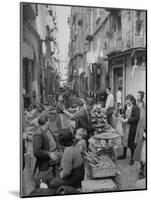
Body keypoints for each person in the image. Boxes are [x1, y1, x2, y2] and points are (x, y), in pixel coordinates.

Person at [48, 129, 84, 193]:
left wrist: (62, 174)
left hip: (75, 179)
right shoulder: (74, 146)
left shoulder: (68, 152)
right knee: (51, 179)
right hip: (79, 174)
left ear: (61, 142)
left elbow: (66, 173)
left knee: (52, 184)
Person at [33, 115, 59, 185]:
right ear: (46, 122)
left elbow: (53, 139)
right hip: (46, 161)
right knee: (44, 180)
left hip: (54, 154)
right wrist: (49, 154)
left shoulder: (47, 129)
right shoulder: (38, 134)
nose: (49, 122)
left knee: (54, 177)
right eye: (48, 120)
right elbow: (36, 152)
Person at [118, 94, 140, 165]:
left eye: (128, 102)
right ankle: (124, 155)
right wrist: (122, 117)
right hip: (125, 127)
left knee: (131, 143)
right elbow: (123, 113)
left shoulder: (136, 108)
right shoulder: (125, 106)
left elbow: (136, 118)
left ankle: (132, 158)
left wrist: (127, 120)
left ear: (132, 101)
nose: (127, 103)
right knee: (124, 141)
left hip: (132, 127)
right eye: (126, 102)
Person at [134, 91, 146, 178]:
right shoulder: (141, 107)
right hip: (142, 132)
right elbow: (140, 121)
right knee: (142, 153)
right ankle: (141, 170)